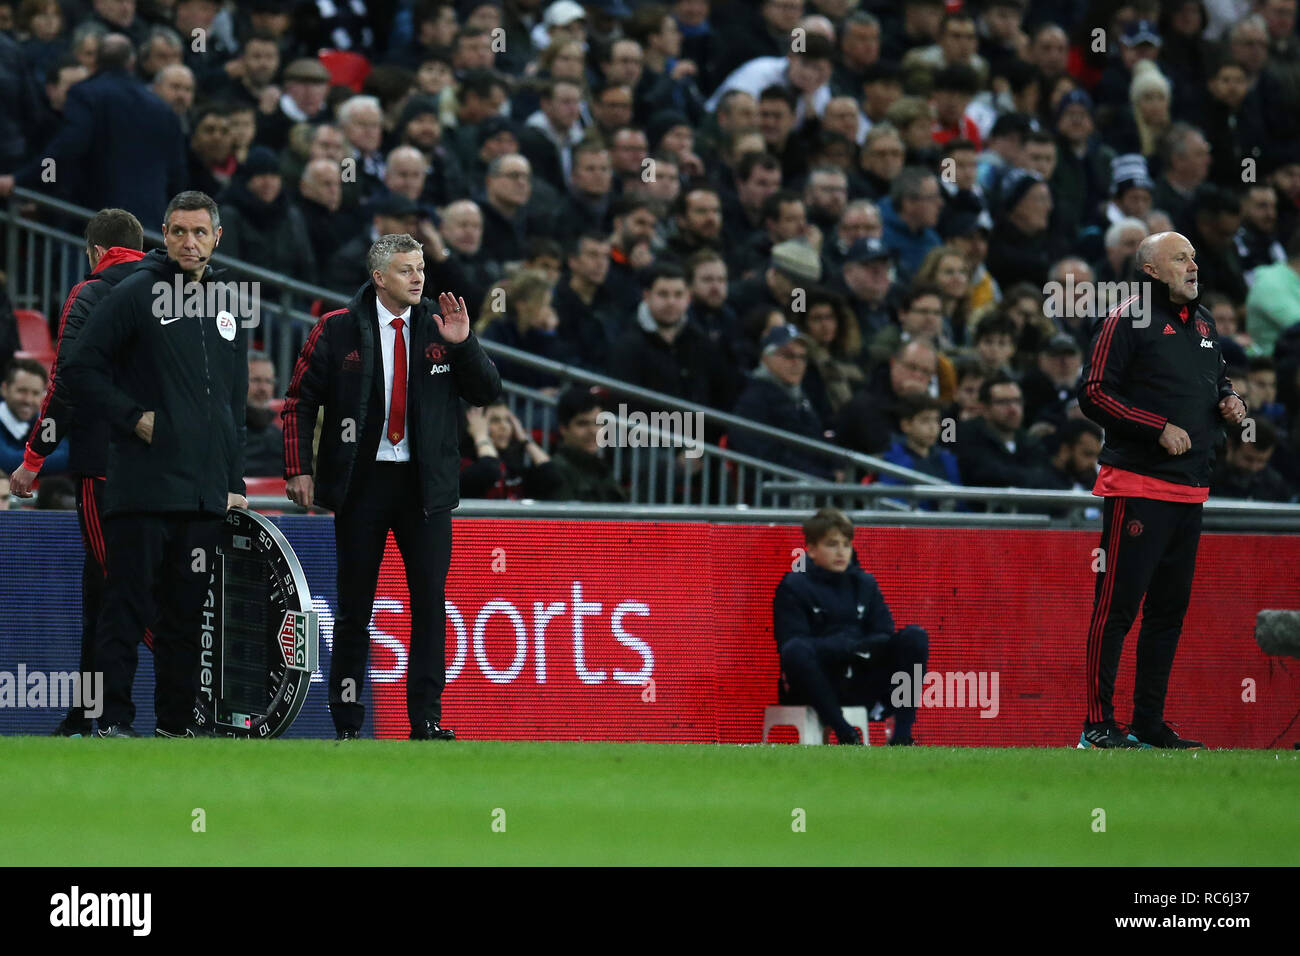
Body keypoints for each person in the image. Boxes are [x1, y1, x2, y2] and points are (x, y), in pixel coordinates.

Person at [282, 233, 501, 741]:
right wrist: (298, 467)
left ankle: (426, 721)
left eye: (421, 268)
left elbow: (487, 391)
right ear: (379, 277)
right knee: (355, 607)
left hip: (425, 488)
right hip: (363, 484)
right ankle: (348, 724)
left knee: (429, 603)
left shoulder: (440, 327)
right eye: (406, 270)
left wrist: (464, 343)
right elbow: (299, 401)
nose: (419, 278)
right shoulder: (336, 330)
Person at [60, 191, 249, 738]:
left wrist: (232, 479)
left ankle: (175, 725)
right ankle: (113, 720)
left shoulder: (229, 299)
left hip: (204, 493)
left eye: (199, 232)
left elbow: (232, 400)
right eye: (177, 232)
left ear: (217, 237)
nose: (189, 242)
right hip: (143, 485)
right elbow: (78, 368)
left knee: (187, 617)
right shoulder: (138, 291)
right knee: (125, 607)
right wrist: (131, 418)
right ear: (162, 236)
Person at [1076, 230, 1247, 749]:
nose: (1193, 266)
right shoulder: (1126, 317)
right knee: (1117, 607)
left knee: (1168, 613)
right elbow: (1093, 391)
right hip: (1138, 484)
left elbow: (1216, 379)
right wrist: (1155, 427)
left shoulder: (1203, 321)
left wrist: (1231, 401)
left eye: (1194, 257)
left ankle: (1148, 722)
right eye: (1180, 259)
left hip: (1191, 488)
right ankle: (1097, 725)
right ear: (1151, 270)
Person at [6, 208, 145, 736]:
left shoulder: (88, 294)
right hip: (166, 465)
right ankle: (93, 712)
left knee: (110, 588)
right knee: (114, 584)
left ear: (93, 251)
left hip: (105, 464)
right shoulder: (171, 291)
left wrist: (34, 461)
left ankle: (108, 714)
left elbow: (65, 387)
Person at [773, 507, 930, 746]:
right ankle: (845, 733)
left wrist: (853, 648)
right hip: (819, 684)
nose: (841, 552)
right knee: (796, 651)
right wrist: (848, 646)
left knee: (915, 637)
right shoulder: (794, 586)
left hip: (863, 677)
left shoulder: (865, 583)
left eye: (846, 544)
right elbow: (792, 643)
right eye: (832, 544)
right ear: (812, 549)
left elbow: (883, 634)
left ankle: (902, 737)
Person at [460, 400, 561, 499]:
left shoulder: (513, 465)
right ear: (474, 426)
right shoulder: (465, 464)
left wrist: (525, 439)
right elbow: (490, 470)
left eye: (508, 420)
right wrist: (481, 435)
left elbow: (552, 477)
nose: (504, 426)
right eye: (494, 420)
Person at [548, 385, 626, 502]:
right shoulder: (554, 471)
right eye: (582, 424)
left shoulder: (601, 469)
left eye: (598, 423)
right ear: (563, 428)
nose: (593, 431)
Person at [0, 359, 69, 475]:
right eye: (22, 391)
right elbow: (7, 462)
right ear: (4, 389)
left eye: (36, 393)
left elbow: (67, 455)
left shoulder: (44, 423)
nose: (28, 400)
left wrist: (30, 464)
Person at [243, 350, 283, 477]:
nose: (263, 388)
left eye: (268, 381)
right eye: (256, 380)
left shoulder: (279, 437)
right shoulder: (222, 432)